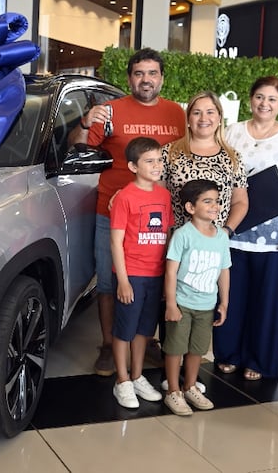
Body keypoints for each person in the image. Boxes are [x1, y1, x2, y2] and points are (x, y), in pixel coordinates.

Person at [69, 48, 185, 376]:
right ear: (129, 78)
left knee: (155, 280)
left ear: (161, 78)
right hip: (113, 213)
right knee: (109, 281)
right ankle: (108, 345)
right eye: (139, 73)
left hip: (160, 216)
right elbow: (79, 148)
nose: (145, 79)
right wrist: (83, 122)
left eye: (152, 73)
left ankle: (145, 341)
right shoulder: (108, 110)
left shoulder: (176, 113)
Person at [213, 76, 278, 380]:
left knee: (266, 300)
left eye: (271, 99)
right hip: (235, 231)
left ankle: (258, 359)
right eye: (259, 97)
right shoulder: (232, 133)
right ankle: (228, 353)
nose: (264, 104)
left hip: (275, 236)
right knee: (231, 295)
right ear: (250, 99)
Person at [160, 90, 248, 390]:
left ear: (220, 118)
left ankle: (190, 379)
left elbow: (240, 202)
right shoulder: (170, 152)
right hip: (176, 242)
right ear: (188, 118)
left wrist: (224, 233)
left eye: (210, 112)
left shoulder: (232, 157)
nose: (204, 118)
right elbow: (153, 192)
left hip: (210, 248)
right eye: (197, 112)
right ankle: (171, 376)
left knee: (201, 310)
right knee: (174, 308)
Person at [109, 137, 174, 408]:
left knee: (144, 330)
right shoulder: (125, 197)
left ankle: (137, 376)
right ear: (133, 166)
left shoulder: (164, 195)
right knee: (125, 329)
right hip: (131, 274)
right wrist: (123, 281)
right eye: (150, 161)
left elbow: (167, 234)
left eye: (159, 160)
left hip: (155, 275)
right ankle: (122, 381)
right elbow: (115, 241)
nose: (157, 165)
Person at [162, 179, 231, 416]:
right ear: (190, 208)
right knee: (175, 348)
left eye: (217, 201)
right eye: (207, 201)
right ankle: (173, 390)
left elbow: (224, 270)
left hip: (206, 305)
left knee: (197, 350)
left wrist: (224, 301)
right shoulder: (183, 235)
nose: (215, 206)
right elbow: (171, 271)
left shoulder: (221, 236)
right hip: (182, 303)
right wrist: (171, 303)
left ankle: (190, 386)